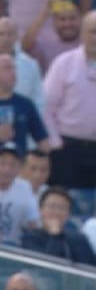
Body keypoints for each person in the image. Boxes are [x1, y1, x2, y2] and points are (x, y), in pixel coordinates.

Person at [43, 10, 96, 190]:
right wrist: (55, 143)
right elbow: (46, 107)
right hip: (67, 147)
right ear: (82, 33)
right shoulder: (63, 63)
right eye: (92, 31)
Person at [23, 187, 96, 265]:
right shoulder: (29, 238)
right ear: (41, 210)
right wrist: (55, 235)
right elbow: (46, 266)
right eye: (52, 206)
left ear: (68, 213)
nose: (56, 212)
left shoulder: (78, 239)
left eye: (62, 208)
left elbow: (89, 267)